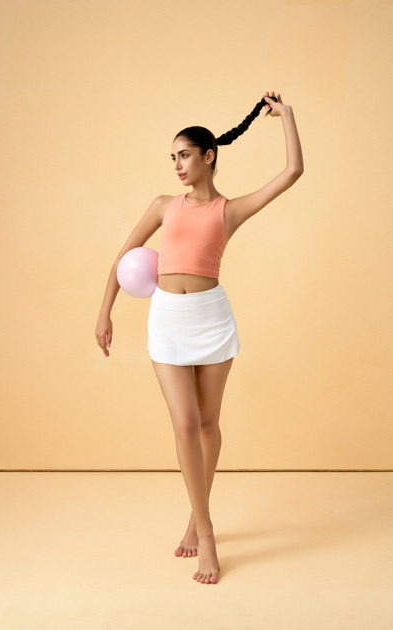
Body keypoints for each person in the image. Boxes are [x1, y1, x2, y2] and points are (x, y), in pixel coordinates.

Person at [95, 90, 304, 585]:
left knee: (209, 424)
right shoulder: (163, 205)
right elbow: (123, 256)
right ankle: (207, 533)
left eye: (184, 155)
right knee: (185, 424)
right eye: (172, 157)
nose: (177, 165)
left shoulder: (230, 210)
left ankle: (196, 517)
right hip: (167, 320)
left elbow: (293, 171)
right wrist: (104, 312)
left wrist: (287, 116)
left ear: (209, 156)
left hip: (211, 319)